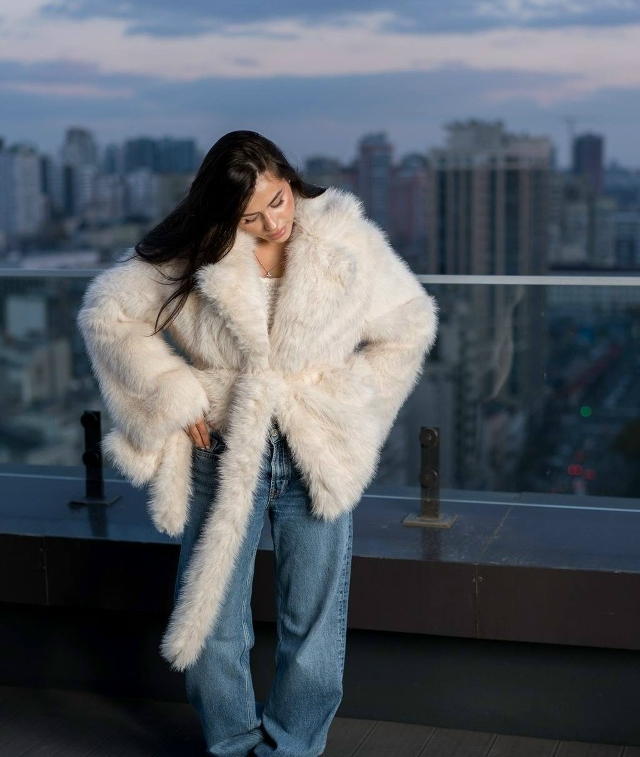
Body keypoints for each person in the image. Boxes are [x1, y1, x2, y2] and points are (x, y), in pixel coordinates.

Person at [77, 130, 438, 757]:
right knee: (214, 619)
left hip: (315, 446)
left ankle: (293, 748)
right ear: (224, 216)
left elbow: (410, 324)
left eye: (278, 200)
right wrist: (176, 393)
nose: (274, 223)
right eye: (250, 217)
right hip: (222, 446)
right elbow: (108, 314)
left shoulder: (343, 237)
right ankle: (231, 744)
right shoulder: (196, 250)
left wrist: (351, 407)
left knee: (314, 624)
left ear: (289, 179)